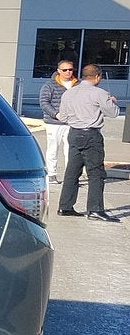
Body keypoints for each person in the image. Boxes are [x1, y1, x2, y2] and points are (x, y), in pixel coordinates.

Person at [55, 64, 123, 222]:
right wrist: (111, 101)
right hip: (91, 135)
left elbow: (63, 117)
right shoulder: (99, 93)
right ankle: (95, 209)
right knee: (96, 173)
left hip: (74, 133)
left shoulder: (69, 93)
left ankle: (65, 206)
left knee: (72, 171)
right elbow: (113, 113)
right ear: (98, 76)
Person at [38, 59, 78, 182]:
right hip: (53, 123)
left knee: (71, 150)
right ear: (58, 71)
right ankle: (51, 174)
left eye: (70, 69)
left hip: (72, 123)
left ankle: (70, 177)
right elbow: (44, 102)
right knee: (53, 148)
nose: (68, 72)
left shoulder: (78, 85)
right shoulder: (49, 85)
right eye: (65, 70)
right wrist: (56, 114)